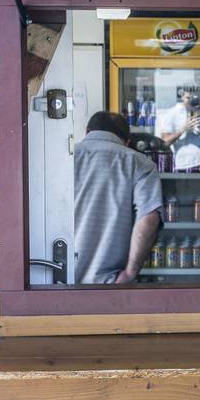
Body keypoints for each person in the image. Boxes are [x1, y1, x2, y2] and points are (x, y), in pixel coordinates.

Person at [73, 111, 163, 284]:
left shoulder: (62, 158)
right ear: (127, 141)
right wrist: (130, 273)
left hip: (58, 279)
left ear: (87, 131)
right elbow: (149, 217)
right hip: (109, 282)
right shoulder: (140, 163)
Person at [158, 89, 200, 170]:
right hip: (185, 163)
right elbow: (165, 142)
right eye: (188, 98)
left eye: (194, 98)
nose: (191, 101)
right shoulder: (172, 113)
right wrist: (183, 129)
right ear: (182, 97)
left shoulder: (198, 110)